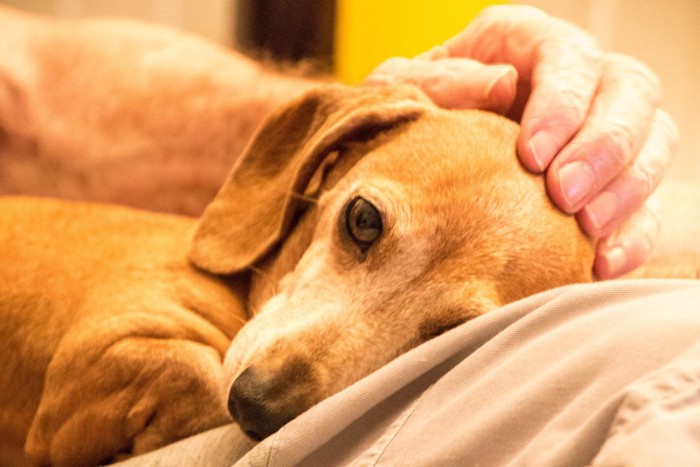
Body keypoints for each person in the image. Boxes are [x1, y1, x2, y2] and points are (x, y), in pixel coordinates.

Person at [2, 4, 695, 466]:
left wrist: (424, 108)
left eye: (443, 335)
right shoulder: (185, 324)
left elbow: (21, 100)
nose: (278, 379)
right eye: (364, 226)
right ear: (332, 160)